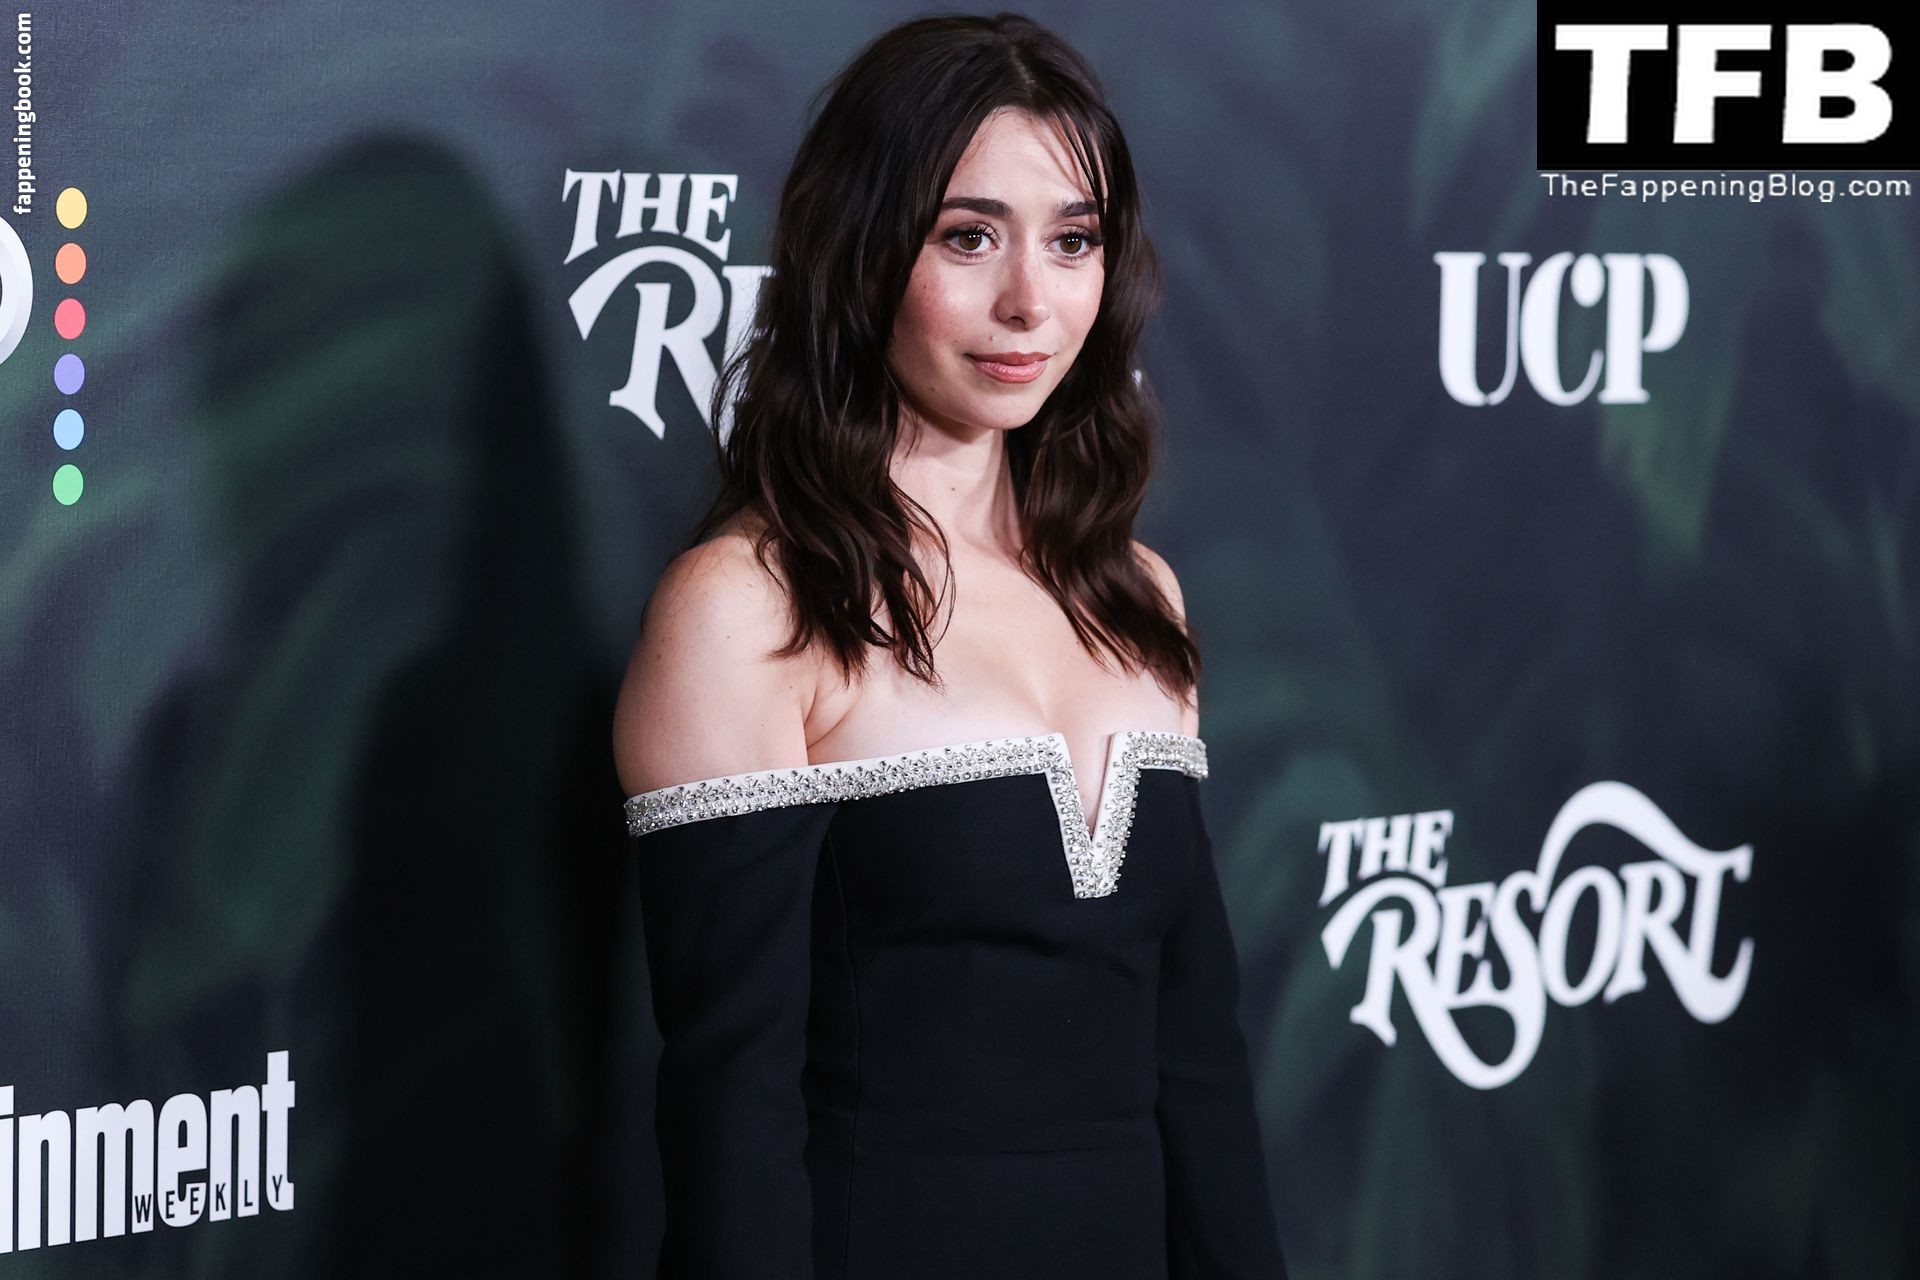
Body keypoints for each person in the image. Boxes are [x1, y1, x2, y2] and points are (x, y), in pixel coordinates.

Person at [612, 12, 1287, 1278]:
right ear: (861, 249)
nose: (1029, 300)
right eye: (968, 236)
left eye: (1073, 240)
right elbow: (732, 1117)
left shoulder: (1140, 595)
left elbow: (1199, 1069)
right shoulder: (750, 606)